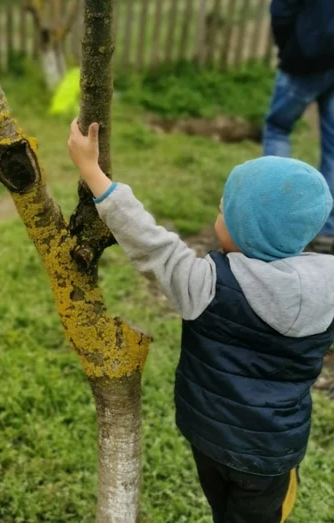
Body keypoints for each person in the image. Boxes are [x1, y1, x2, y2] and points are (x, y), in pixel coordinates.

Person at [68, 118, 334, 522]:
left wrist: (92, 172)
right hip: (271, 453)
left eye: (225, 208)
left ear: (246, 230)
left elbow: (152, 244)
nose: (219, 210)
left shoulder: (206, 286)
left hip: (209, 440)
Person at [264, 0, 334, 253]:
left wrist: (289, 49)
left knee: (277, 128)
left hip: (304, 60)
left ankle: (275, 223)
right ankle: (328, 229)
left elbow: (281, 11)